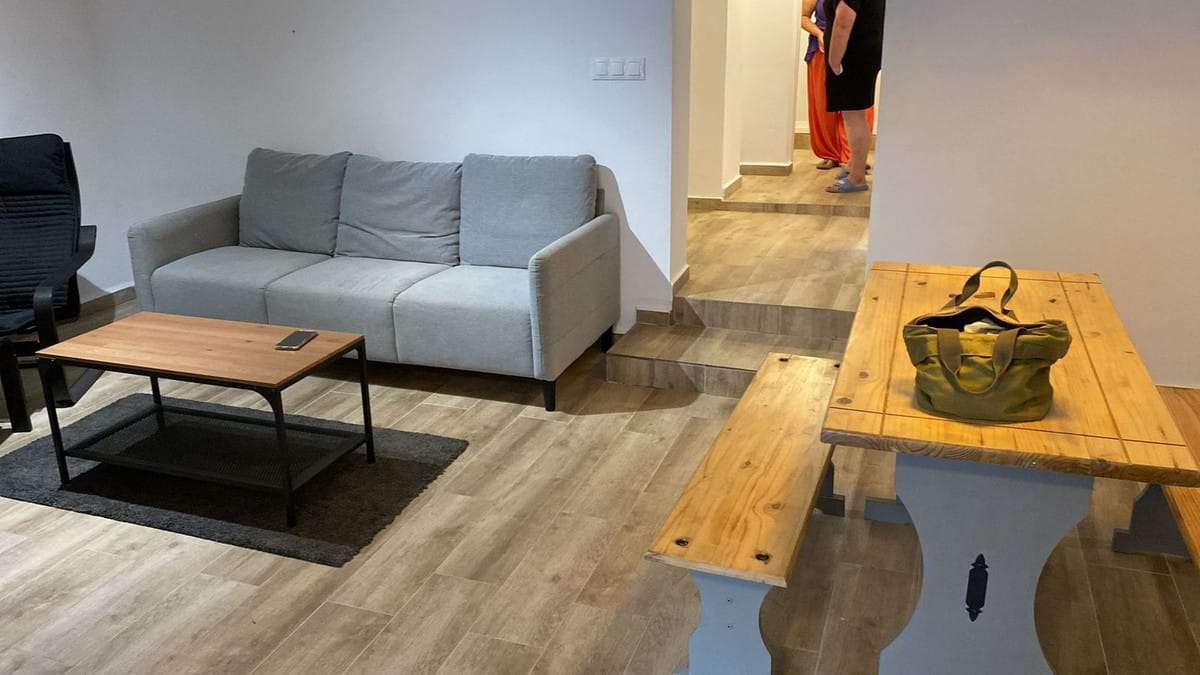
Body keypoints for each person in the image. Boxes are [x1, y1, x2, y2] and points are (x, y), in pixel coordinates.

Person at [801, 0, 875, 172]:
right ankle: (830, 154)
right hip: (822, 49)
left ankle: (855, 156)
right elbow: (803, 17)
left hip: (857, 48)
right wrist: (819, 34)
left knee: (858, 106)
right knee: (824, 103)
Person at [823, 0, 885, 193]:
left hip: (852, 56)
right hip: (863, 52)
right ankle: (854, 165)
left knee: (853, 115)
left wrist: (834, 61)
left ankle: (857, 177)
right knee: (853, 113)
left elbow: (844, 20)